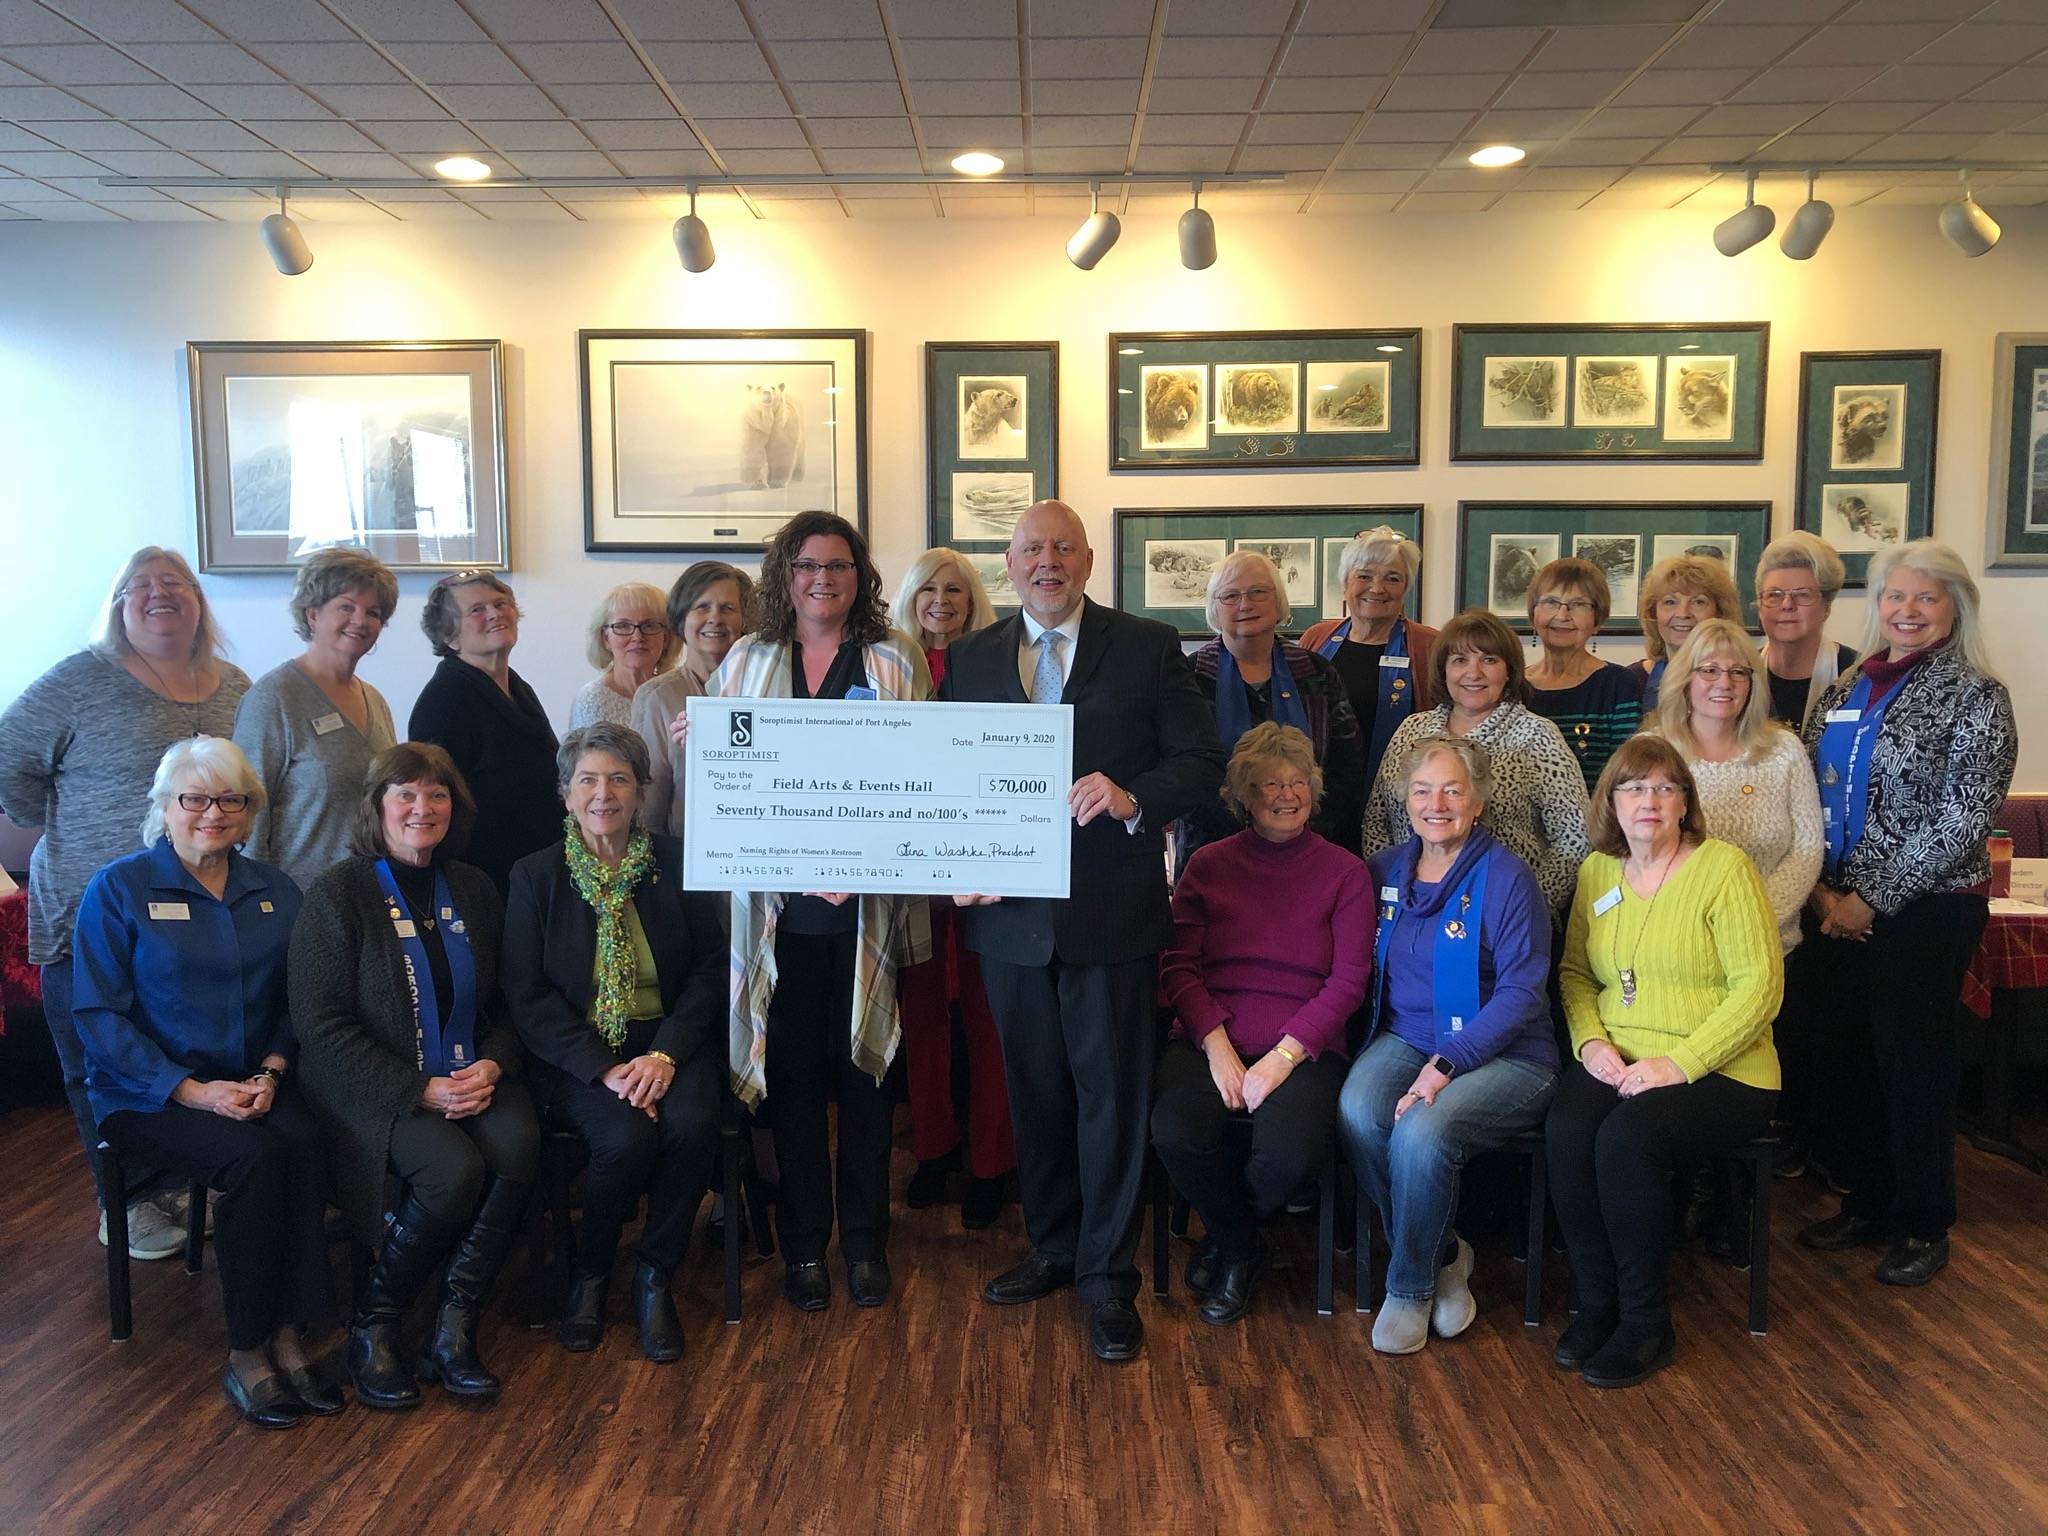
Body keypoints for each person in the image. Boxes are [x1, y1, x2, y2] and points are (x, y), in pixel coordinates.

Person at [939, 499, 1226, 1363]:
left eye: (1064, 547)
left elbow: (1201, 765)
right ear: (1009, 561)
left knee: (1111, 1102)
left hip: (1110, 915)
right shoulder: (975, 657)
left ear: (1090, 560)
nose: (1047, 561)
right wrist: (955, 860)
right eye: (1032, 549)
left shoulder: (1146, 645)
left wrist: (1132, 795)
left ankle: (1109, 1280)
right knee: (1035, 1095)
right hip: (1007, 924)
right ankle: (1056, 1247)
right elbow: (947, 774)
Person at [71, 738, 339, 1429]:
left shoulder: (276, 890)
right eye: (194, 798)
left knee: (307, 1141)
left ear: (249, 813)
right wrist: (193, 1091)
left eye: (230, 799)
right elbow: (98, 1017)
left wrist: (274, 1070)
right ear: (165, 808)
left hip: (254, 1082)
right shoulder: (120, 889)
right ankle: (249, 1349)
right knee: (253, 1158)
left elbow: (294, 1003)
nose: (211, 813)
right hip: (144, 1095)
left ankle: (292, 1331)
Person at [707, 512, 931, 1313]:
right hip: (779, 920)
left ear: (859, 576)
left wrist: (864, 864)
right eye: (807, 566)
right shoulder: (744, 660)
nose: (822, 580)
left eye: (838, 566)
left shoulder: (894, 659)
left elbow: (920, 780)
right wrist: (696, 743)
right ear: (785, 575)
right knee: (794, 1087)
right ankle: (806, 1248)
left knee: (868, 1084)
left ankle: (865, 1244)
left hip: (866, 916)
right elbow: (727, 791)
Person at [0, 545, 251, 1260]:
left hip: (198, 912)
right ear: (117, 605)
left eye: (174, 583)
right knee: (96, 1063)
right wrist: (53, 821)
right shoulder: (81, 680)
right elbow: (7, 757)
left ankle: (181, 1185)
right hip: (86, 910)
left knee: (177, 1052)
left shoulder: (234, 686)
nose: (158, 593)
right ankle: (127, 1202)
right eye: (140, 585)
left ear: (199, 603)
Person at [1790, 541, 2017, 1287]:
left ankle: (1922, 1221)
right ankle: (1867, 1199)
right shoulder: (1846, 689)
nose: (1908, 612)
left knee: (1911, 1064)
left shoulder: (1976, 695)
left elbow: (1963, 819)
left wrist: (1873, 898)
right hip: (1834, 903)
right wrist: (1825, 892)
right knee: (1843, 1057)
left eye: (1927, 599)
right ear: (1877, 604)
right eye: (1896, 597)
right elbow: (1809, 795)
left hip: (1927, 908)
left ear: (1954, 609)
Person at [291, 742, 540, 1409]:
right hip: (372, 1088)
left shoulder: (476, 887)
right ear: (376, 807)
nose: (421, 808)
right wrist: (416, 1089)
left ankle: (454, 1327)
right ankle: (373, 1328)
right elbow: (321, 1029)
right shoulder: (337, 893)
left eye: (436, 795)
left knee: (518, 1147)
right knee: (451, 1169)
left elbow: (509, 1007)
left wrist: (493, 1063)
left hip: (469, 1072)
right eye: (405, 793)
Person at [1547, 735, 1782, 1388]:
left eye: (1664, 787)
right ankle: (1598, 1304)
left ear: (1685, 802)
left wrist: (1680, 1063)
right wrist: (1591, 1042)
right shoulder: (1598, 871)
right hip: (1617, 1054)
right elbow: (1573, 974)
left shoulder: (1724, 868)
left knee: (1627, 1141)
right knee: (1567, 1131)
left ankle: (1647, 1323)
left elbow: (1760, 987)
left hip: (1725, 1068)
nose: (1647, 800)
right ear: (1611, 802)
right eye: (1632, 787)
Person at [504, 724, 724, 1361]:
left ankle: (656, 1277)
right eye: (588, 780)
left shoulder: (676, 861)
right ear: (566, 795)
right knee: (624, 1139)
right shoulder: (535, 876)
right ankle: (592, 1275)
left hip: (669, 1042)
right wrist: (606, 1070)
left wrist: (665, 1054)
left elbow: (711, 969)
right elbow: (529, 994)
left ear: (641, 791)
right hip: (582, 1051)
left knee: (692, 1126)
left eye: (620, 779)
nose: (604, 794)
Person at [1338, 736, 1557, 1355]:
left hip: (1510, 1054)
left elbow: (1522, 993)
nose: (1437, 803)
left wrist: (1445, 1065)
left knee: (1422, 1132)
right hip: (1406, 1036)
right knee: (1359, 1109)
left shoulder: (1510, 879)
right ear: (1404, 800)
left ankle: (1408, 1288)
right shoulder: (1382, 870)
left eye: (1453, 789)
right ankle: (1445, 1257)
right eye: (1422, 790)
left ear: (1479, 802)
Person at [1152, 724, 1368, 1325]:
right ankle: (1244, 1246)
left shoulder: (1346, 873)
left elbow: (1348, 981)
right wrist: (1217, 1047)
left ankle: (1225, 1241)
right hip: (1209, 1037)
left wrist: (1282, 1057)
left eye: (1298, 781)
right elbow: (1178, 964)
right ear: (1244, 797)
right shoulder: (1207, 866)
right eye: (1270, 783)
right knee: (1174, 1130)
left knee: (1290, 1152)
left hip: (1303, 1046)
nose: (1287, 794)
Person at [889, 549, 1013, 1225]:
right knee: (925, 1017)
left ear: (974, 599)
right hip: (912, 875)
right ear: (910, 597)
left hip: (983, 864)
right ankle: (934, 1151)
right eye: (929, 588)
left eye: (956, 589)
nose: (942, 600)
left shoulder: (995, 662)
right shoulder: (887, 668)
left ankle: (993, 1163)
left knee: (991, 1020)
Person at [1364, 608, 1588, 917]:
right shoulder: (1411, 731)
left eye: (1489, 660)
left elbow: (1574, 838)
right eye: (1460, 660)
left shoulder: (1537, 736)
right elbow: (1378, 823)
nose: (1474, 673)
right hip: (1411, 909)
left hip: (1500, 917)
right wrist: (1394, 895)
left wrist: (1524, 905)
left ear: (1509, 670)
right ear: (1443, 670)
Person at [1181, 549, 1366, 864]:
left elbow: (1347, 765)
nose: (1245, 604)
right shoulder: (1189, 677)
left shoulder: (1317, 672)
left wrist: (1297, 827)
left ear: (1278, 601)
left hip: (1308, 847)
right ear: (1214, 608)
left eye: (1258, 592)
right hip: (1213, 854)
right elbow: (1181, 769)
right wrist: (1247, 834)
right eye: (1230, 596)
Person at [233, 548, 399, 891]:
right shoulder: (274, 698)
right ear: (312, 616)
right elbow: (246, 813)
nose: (360, 621)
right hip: (297, 899)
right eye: (345, 607)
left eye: (373, 612)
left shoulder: (376, 701)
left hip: (372, 895)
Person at [1651, 621, 1822, 954]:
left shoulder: (1784, 750)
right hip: (1674, 946)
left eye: (1738, 672)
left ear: (1752, 683)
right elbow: (1633, 853)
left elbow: (1807, 849)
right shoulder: (1653, 752)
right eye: (1710, 670)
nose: (1725, 683)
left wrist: (1751, 920)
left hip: (1768, 947)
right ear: (1685, 679)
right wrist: (1696, 928)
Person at [408, 569, 559, 894]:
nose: (495, 614)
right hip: (482, 883)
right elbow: (431, 805)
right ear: (450, 636)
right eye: (477, 610)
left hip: (531, 874)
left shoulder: (518, 688)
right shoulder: (444, 701)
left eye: (501, 603)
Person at [1299, 525, 1438, 795]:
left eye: (1392, 578)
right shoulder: (1315, 638)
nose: (1377, 588)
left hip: (1402, 795)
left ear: (1406, 587)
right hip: (1321, 797)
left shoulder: (1430, 645)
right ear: (1344, 583)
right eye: (1364, 576)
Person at [633, 562, 757, 839]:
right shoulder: (657, 697)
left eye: (728, 608)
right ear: (681, 619)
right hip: (683, 862)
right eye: (701, 607)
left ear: (744, 621)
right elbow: (649, 809)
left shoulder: (765, 689)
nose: (715, 618)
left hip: (757, 856)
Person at [1522, 556, 1644, 792]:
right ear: (1533, 615)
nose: (1563, 615)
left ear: (1597, 619)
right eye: (1551, 602)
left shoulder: (1619, 684)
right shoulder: (1513, 686)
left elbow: (1626, 777)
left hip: (1595, 825)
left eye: (1578, 604)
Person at [1754, 533, 1859, 731]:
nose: (1787, 605)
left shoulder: (1857, 674)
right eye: (1774, 595)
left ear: (1826, 607)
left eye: (1802, 595)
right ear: (1760, 606)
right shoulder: (1740, 673)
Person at [1632, 554, 1741, 714]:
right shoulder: (1632, 681)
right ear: (1653, 613)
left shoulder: (1740, 681)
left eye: (1698, 602)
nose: (1683, 614)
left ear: (1720, 612)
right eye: (1670, 602)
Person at [571, 581, 675, 729]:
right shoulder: (592, 700)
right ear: (605, 638)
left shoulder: (675, 695)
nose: (637, 637)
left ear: (666, 638)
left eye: (649, 625)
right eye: (623, 626)